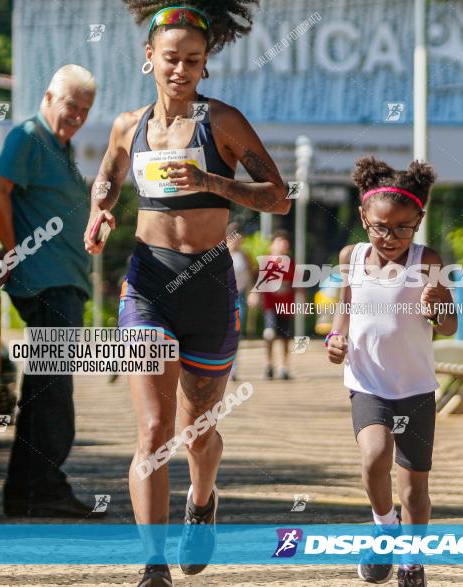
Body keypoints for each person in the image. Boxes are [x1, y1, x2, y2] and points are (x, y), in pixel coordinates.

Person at [84, 3, 288, 585]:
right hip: (147, 282)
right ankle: (153, 564)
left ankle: (202, 501)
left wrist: (211, 182)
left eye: (193, 61)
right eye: (171, 58)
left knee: (198, 428)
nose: (181, 70)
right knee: (153, 429)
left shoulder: (222, 122)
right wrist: (100, 211)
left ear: (205, 67)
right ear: (149, 59)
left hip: (208, 284)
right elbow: (108, 175)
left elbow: (278, 196)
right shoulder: (129, 124)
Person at [326, 156, 457, 587]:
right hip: (368, 383)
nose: (391, 236)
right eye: (381, 226)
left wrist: (439, 308)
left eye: (403, 227)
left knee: (415, 491)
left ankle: (412, 560)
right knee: (374, 457)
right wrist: (335, 338)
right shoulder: (352, 257)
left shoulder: (426, 260)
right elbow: (345, 307)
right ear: (364, 218)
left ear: (419, 220)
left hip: (416, 387)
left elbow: (449, 325)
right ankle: (384, 528)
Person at [0, 64, 104, 519]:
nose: (76, 116)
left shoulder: (58, 146)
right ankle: (44, 489)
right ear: (49, 95)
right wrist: (13, 254)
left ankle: (26, 493)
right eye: (71, 106)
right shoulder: (28, 137)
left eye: (84, 111)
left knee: (44, 392)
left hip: (62, 281)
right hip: (48, 283)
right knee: (53, 395)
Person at [260, 230, 295, 379]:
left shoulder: (291, 263)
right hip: (270, 306)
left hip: (286, 306)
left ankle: (284, 367)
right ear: (272, 245)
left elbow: (297, 284)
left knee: (285, 337)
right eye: (280, 241)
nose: (283, 244)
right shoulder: (266, 263)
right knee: (269, 334)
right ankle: (269, 364)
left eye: (285, 241)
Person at [227, 223, 249, 380]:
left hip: (239, 297)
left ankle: (233, 368)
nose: (237, 242)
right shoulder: (219, 255)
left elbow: (250, 277)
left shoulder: (244, 256)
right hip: (221, 298)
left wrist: (253, 293)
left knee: (235, 333)